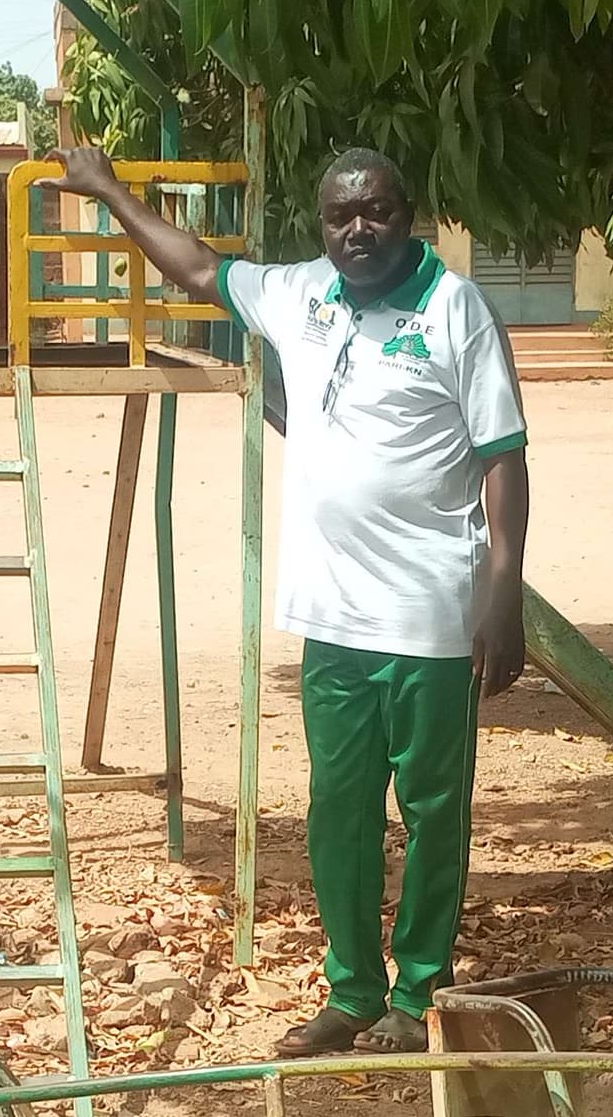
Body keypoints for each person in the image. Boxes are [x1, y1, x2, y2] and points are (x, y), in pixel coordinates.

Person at [54, 139, 530, 1056]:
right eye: (341, 215)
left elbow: (503, 453)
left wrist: (501, 588)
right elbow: (196, 267)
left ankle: (421, 992)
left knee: (435, 814)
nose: (359, 229)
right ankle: (352, 994)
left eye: (377, 211)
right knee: (338, 811)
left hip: (434, 617)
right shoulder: (301, 294)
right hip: (331, 620)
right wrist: (110, 190)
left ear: (408, 213)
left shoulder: (454, 309)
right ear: (323, 225)